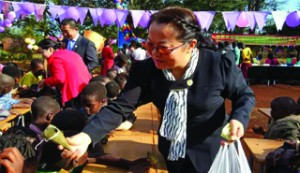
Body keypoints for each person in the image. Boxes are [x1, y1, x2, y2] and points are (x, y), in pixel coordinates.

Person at [61, 6, 255, 173]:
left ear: (190, 45)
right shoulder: (147, 70)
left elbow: (244, 95)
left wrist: (238, 118)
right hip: (171, 152)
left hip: (212, 151)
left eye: (162, 48)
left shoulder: (217, 64)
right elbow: (120, 108)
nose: (154, 54)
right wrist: (86, 136)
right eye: (149, 45)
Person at [37, 39, 91, 108]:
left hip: (73, 92)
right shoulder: (69, 53)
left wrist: (45, 81)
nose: (42, 55)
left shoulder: (55, 58)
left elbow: (59, 78)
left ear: (50, 49)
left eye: (42, 52)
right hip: (86, 87)